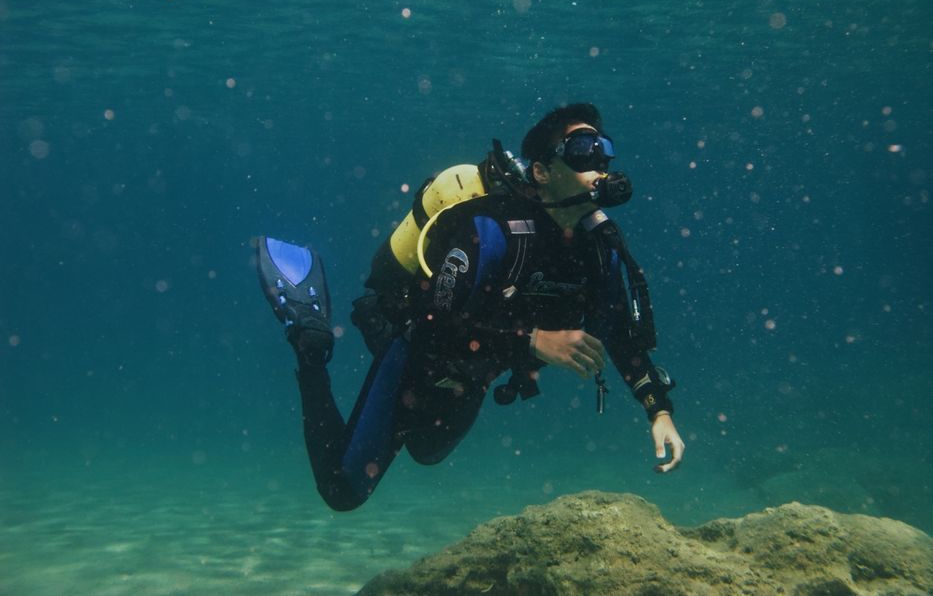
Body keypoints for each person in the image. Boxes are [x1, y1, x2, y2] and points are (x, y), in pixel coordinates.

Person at [256, 103, 685, 512]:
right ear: (541, 171)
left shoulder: (600, 249)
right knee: (343, 491)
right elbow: (432, 325)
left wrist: (657, 409)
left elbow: (617, 331)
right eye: (581, 152)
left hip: (473, 373)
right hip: (417, 353)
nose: (600, 165)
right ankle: (311, 339)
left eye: (604, 152)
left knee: (427, 452)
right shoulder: (491, 228)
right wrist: (532, 341)